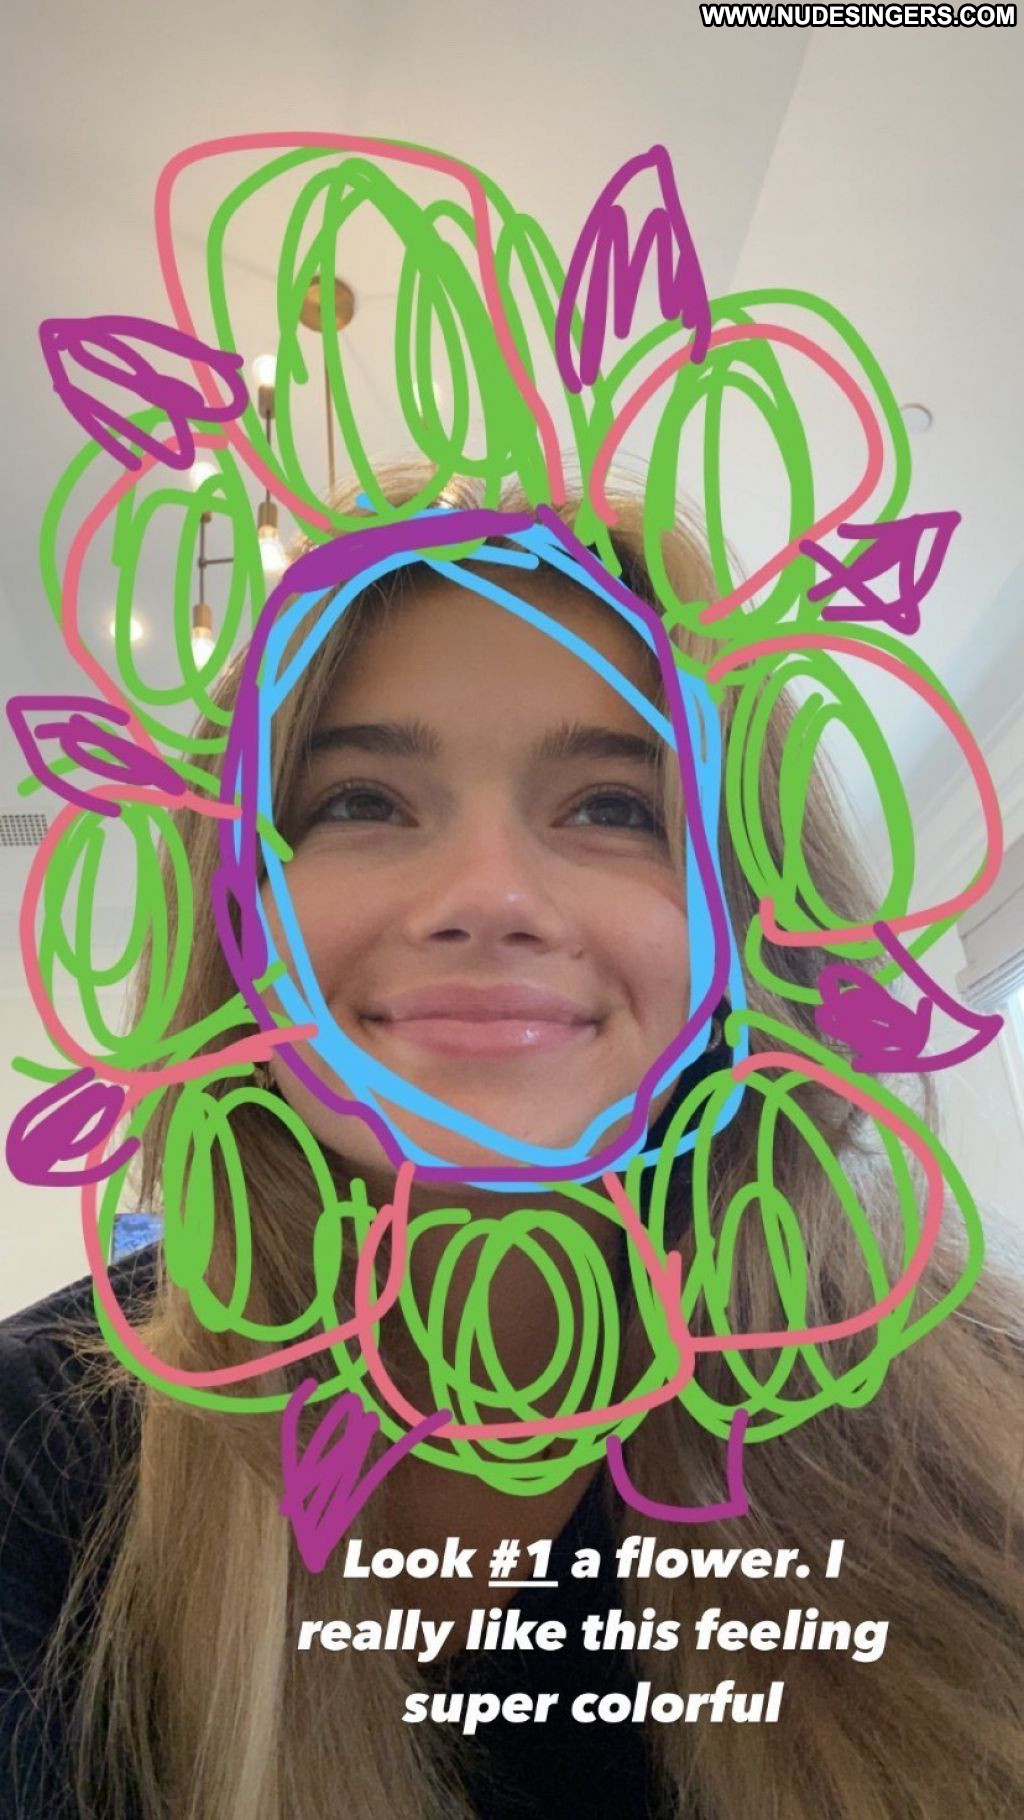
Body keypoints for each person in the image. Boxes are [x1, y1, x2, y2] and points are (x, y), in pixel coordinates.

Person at [1, 464, 1022, 1820]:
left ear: (755, 926)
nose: (486, 896)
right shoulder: (36, 1460)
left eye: (613, 807)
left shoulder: (989, 1438)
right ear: (238, 922)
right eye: (359, 801)